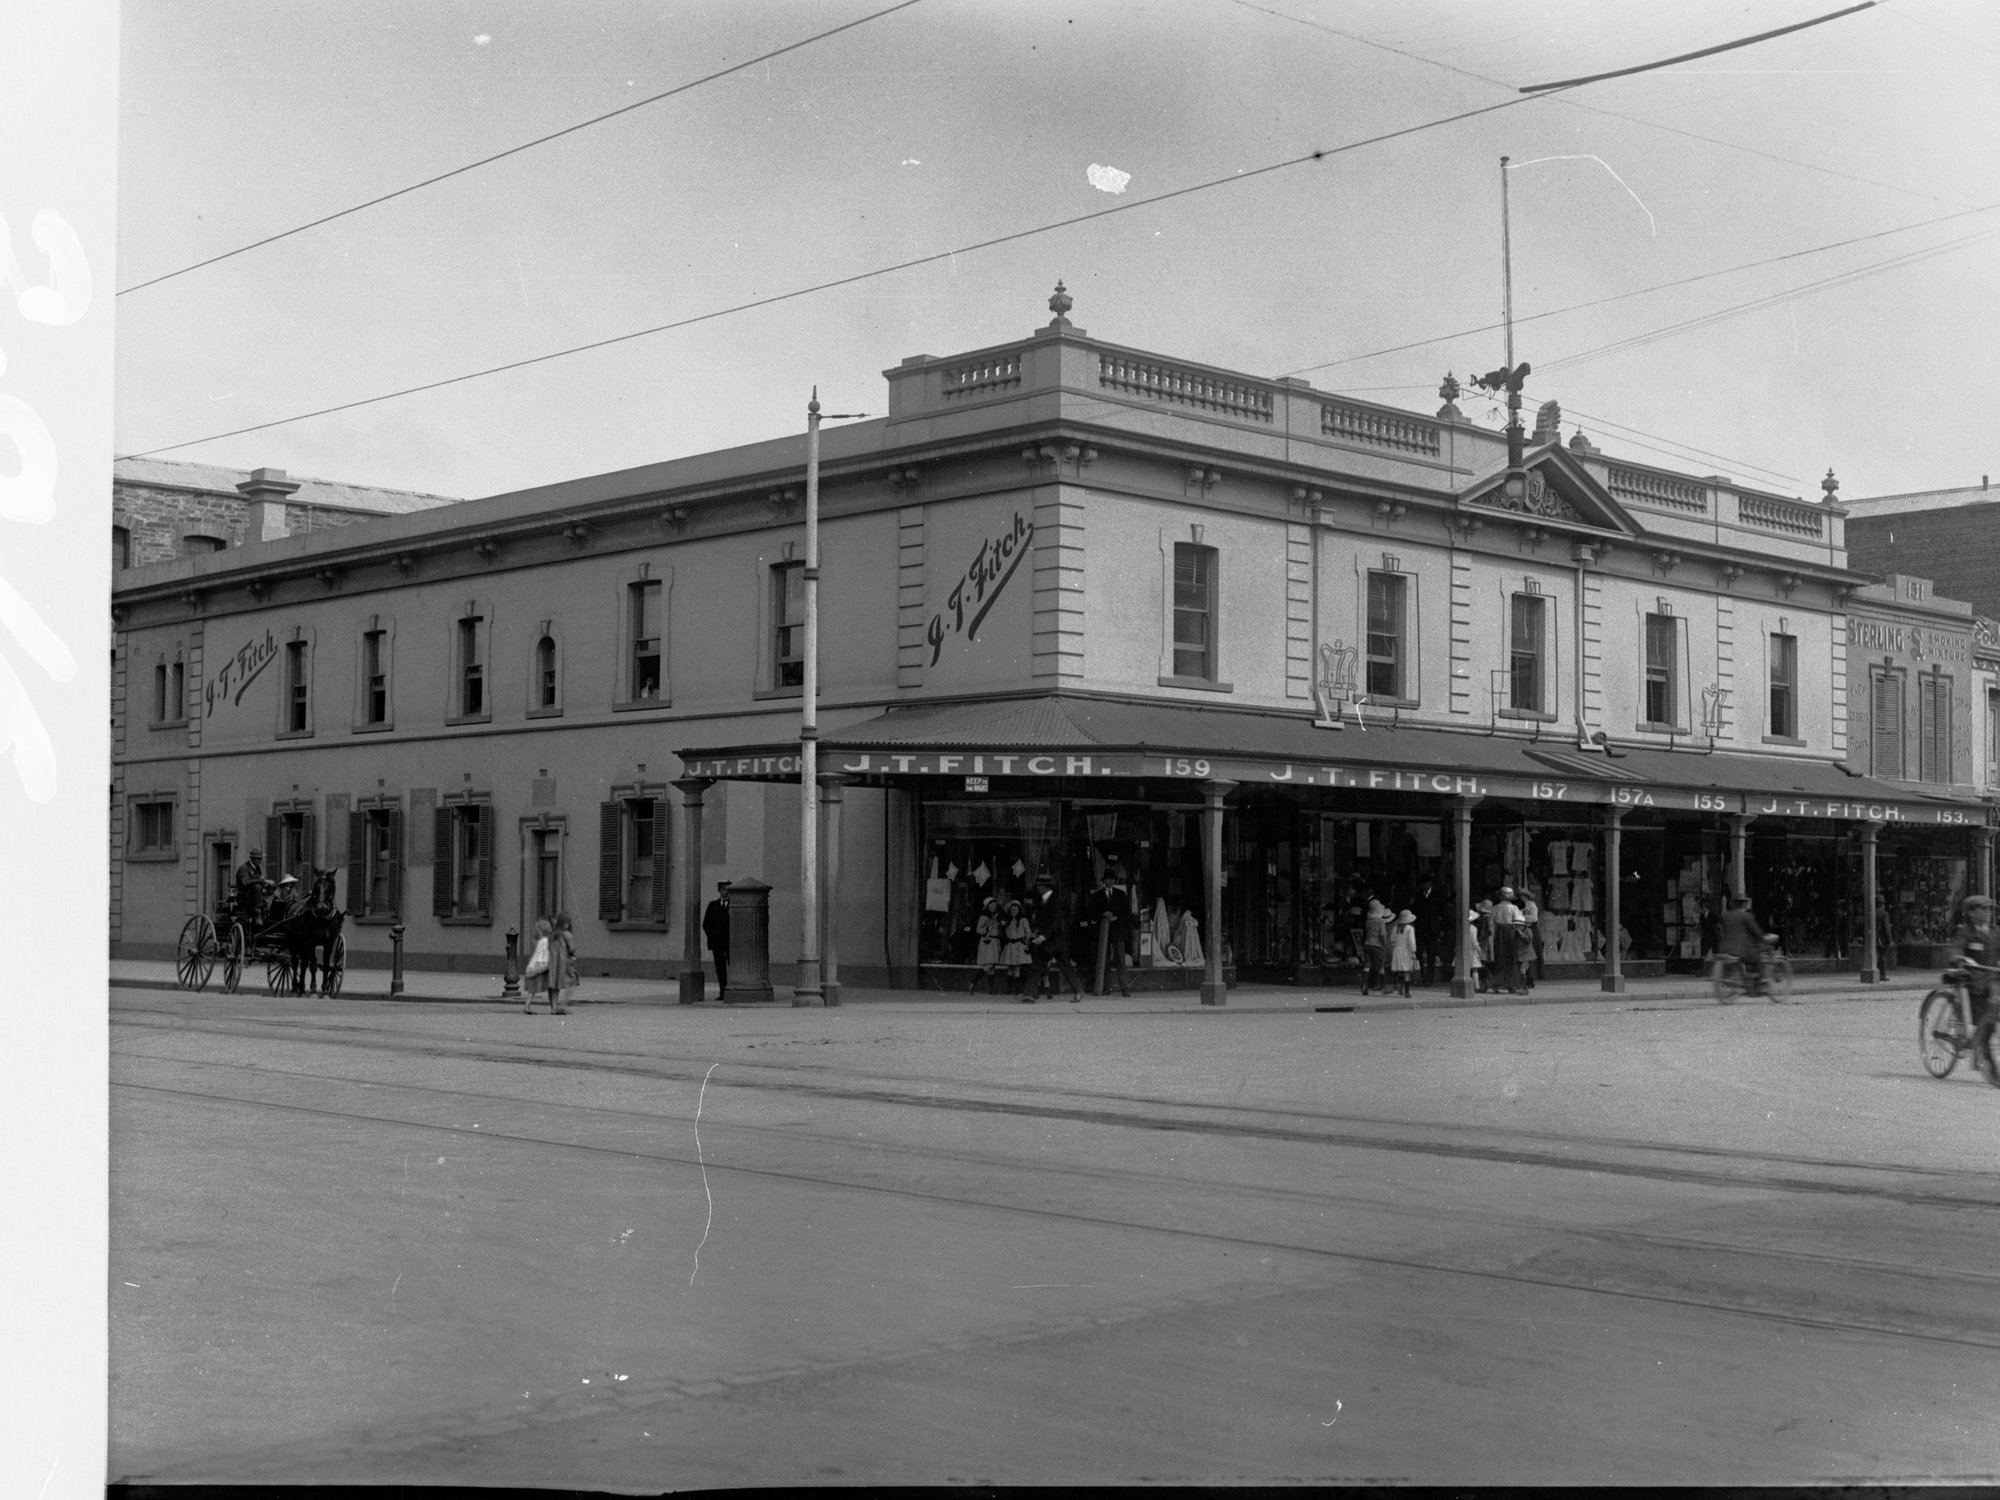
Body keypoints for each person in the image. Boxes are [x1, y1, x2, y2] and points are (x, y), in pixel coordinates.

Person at [1952, 895, 1997, 1072]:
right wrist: (1961, 958)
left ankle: (1976, 1050)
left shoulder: (1995, 932)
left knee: (1990, 1020)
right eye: (1982, 909)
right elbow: (1956, 949)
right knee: (1986, 1023)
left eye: (1989, 909)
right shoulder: (1966, 932)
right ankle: (1991, 1069)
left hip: (1991, 983)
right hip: (1973, 984)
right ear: (1971, 913)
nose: (1987, 913)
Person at [1027, 874, 1085, 1003]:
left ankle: (1078, 991)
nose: (1037, 888)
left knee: (1062, 966)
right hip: (1049, 940)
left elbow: (1055, 922)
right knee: (1039, 966)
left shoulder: (1053, 900)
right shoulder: (1043, 900)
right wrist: (1036, 932)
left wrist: (1043, 936)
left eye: (1039, 885)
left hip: (1055, 940)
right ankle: (1030, 993)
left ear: (1043, 887)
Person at [1080, 868, 1134, 997]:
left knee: (1120, 959)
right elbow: (1091, 913)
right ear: (1104, 881)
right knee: (1105, 961)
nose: (1109, 881)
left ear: (1114, 881)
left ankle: (1124, 987)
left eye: (1111, 879)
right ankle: (1106, 987)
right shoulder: (1097, 896)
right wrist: (1102, 914)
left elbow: (1127, 913)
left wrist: (1116, 917)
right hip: (1103, 932)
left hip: (1117, 931)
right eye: (1107, 879)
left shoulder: (1121, 895)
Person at [1716, 896, 1771, 996]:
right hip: (1741, 949)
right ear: (1744, 905)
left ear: (1732, 904)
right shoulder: (1747, 916)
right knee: (1758, 956)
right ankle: (1761, 981)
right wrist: (1763, 937)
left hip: (1724, 947)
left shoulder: (1725, 915)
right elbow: (1756, 931)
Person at [1489, 887, 1525, 994]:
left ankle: (1496, 983)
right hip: (1510, 932)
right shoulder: (1513, 908)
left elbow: (1491, 923)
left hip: (1498, 933)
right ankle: (1511, 985)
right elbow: (1517, 921)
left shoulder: (1495, 908)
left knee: (1499, 958)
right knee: (1511, 959)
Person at [701, 881, 732, 1001]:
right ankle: (722, 991)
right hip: (717, 942)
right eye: (722, 889)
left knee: (732, 966)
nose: (725, 891)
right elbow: (706, 924)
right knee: (720, 967)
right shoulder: (712, 905)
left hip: (730, 942)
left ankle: (732, 990)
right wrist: (713, 936)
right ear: (719, 890)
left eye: (727, 889)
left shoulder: (734, 905)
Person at [969, 897, 1002, 994]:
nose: (994, 906)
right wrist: (987, 930)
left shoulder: (994, 916)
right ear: (987, 906)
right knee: (990, 963)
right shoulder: (984, 917)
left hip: (994, 940)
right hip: (989, 941)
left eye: (994, 904)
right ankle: (974, 980)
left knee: (992, 966)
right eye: (991, 904)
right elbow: (978, 929)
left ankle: (991, 989)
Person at [522, 917, 553, 1015]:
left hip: (535, 967)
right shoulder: (545, 941)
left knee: (532, 989)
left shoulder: (541, 941)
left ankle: (527, 1006)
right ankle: (553, 1006)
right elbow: (542, 955)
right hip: (540, 968)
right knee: (548, 987)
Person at [1001, 899, 1032, 994]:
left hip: (1019, 945)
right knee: (1010, 967)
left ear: (1019, 910)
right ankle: (1008, 988)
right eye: (1011, 910)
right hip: (1010, 945)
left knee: (1017, 967)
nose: (1013, 911)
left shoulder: (1023, 920)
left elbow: (1028, 932)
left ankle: (1017, 989)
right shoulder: (1008, 921)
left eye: (1015, 909)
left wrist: (1027, 944)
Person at [1361, 897, 1391, 996]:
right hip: (1378, 945)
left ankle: (1364, 984)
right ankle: (1384, 985)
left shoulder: (1368, 921)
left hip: (1368, 943)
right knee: (1381, 965)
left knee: (1367, 965)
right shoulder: (1380, 921)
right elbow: (1382, 934)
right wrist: (1385, 943)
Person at [1387, 909, 1418, 998]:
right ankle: (1407, 992)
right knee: (1407, 971)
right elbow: (1411, 941)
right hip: (1406, 950)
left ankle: (1399, 986)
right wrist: (1413, 952)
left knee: (1398, 969)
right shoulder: (1410, 928)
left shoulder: (1395, 928)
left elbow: (1392, 939)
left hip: (1397, 950)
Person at [549, 913, 575, 1015]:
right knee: (570, 980)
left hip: (551, 963)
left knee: (552, 986)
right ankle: (560, 1006)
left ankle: (553, 1006)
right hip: (562, 962)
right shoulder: (566, 934)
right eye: (566, 923)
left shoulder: (552, 934)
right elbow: (572, 948)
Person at [1518, 885, 1542, 992]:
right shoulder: (1527, 905)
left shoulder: (1531, 905)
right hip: (1530, 929)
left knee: (1528, 954)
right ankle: (1529, 979)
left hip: (1531, 929)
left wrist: (1523, 917)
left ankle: (1530, 979)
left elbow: (1533, 918)